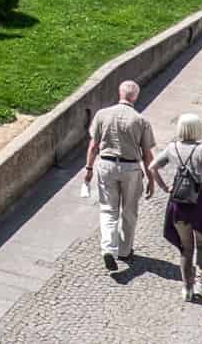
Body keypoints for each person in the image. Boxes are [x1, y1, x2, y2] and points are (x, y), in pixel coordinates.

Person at [82, 80, 157, 270]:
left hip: (106, 164)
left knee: (108, 209)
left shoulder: (102, 115)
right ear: (136, 97)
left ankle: (108, 247)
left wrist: (89, 169)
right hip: (131, 168)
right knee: (129, 211)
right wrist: (151, 179)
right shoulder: (140, 120)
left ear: (119, 93)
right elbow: (147, 154)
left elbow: (93, 146)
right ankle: (124, 250)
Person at [152, 112, 202, 306]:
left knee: (185, 248)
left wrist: (165, 188)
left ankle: (186, 288)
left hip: (178, 203)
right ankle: (200, 283)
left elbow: (152, 167)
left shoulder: (172, 148)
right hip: (199, 204)